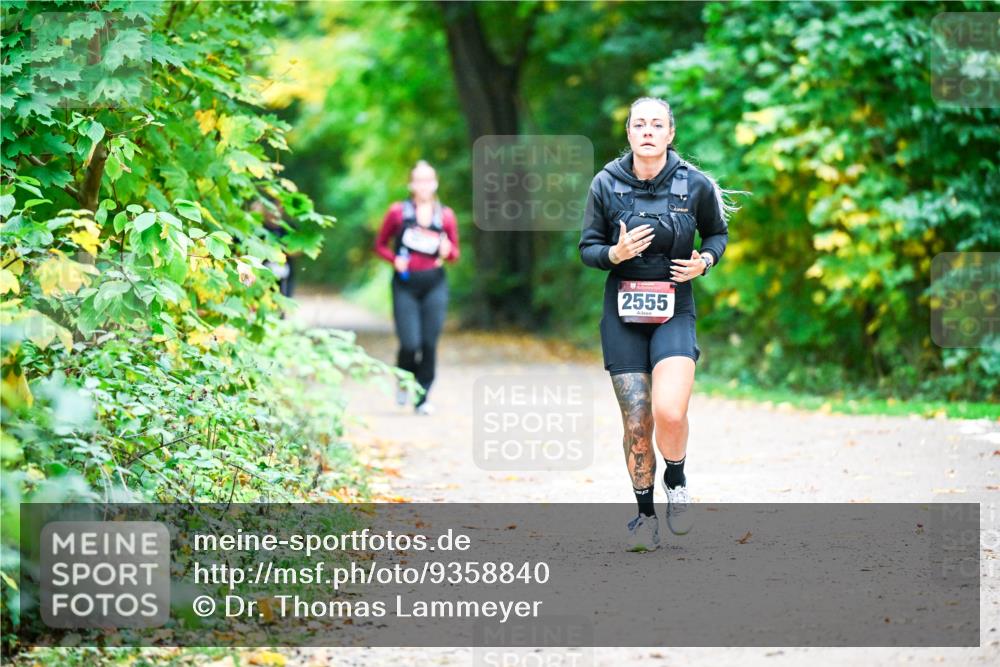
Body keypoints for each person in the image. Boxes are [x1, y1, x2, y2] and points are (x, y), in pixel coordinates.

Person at [579, 97, 735, 551]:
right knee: (636, 422)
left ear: (670, 134)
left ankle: (678, 478)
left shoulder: (696, 185)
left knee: (670, 411)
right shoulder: (606, 184)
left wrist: (705, 261)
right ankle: (644, 515)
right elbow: (587, 247)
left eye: (657, 124)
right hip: (624, 313)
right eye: (639, 124)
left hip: (674, 308)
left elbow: (718, 234)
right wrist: (615, 254)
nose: (648, 131)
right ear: (628, 133)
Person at [375, 160, 460, 414]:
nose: (424, 185)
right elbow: (379, 245)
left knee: (429, 343)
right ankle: (403, 379)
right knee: (410, 343)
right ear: (411, 184)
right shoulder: (397, 212)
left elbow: (455, 253)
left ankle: (422, 397)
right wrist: (394, 260)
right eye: (419, 180)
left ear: (435, 183)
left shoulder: (445, 215)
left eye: (428, 179)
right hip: (405, 286)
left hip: (435, 283)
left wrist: (448, 251)